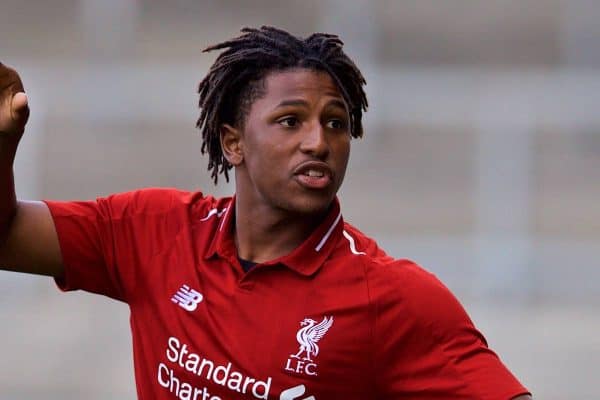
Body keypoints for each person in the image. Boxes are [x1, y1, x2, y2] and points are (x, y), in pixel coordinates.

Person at [0, 26, 531, 400]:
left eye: (336, 123)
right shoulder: (154, 229)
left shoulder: (393, 298)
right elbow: (8, 239)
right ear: (233, 142)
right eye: (290, 120)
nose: (318, 141)